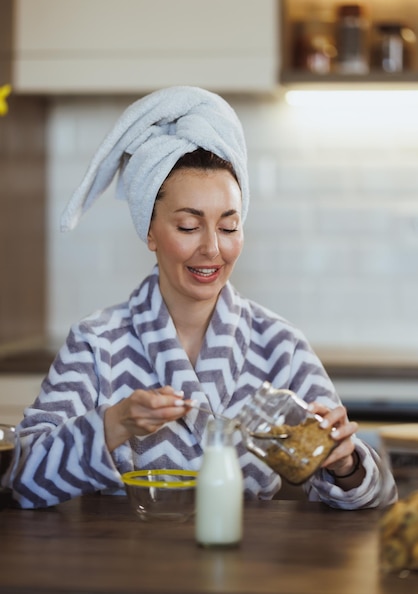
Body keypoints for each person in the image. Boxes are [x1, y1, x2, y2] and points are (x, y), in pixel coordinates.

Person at [9, 86, 396, 509]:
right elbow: (20, 479)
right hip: (126, 564)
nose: (212, 248)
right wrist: (114, 423)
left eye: (228, 227)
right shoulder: (96, 343)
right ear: (151, 232)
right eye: (189, 226)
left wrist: (344, 463)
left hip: (246, 567)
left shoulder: (279, 346)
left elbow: (376, 498)